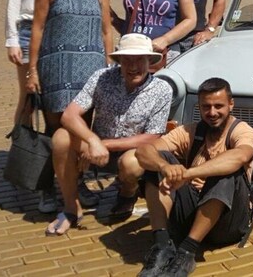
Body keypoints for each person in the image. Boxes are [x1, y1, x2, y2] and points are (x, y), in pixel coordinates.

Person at [46, 34, 173, 236]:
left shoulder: (162, 90)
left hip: (129, 151)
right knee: (61, 138)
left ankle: (127, 193)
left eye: (139, 59)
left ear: (149, 61)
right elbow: (69, 115)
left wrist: (103, 144)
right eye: (127, 59)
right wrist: (92, 141)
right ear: (119, 61)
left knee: (132, 164)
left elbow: (152, 137)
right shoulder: (101, 77)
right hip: (96, 144)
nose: (133, 65)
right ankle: (71, 208)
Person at [135, 78, 253, 277]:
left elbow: (240, 156)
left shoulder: (242, 130)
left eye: (219, 106)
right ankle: (161, 246)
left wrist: (187, 173)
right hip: (192, 212)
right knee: (156, 162)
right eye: (206, 107)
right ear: (199, 106)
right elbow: (142, 152)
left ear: (231, 104)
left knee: (227, 171)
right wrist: (164, 167)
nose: (212, 113)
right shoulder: (190, 131)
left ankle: (186, 252)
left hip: (228, 223)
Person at [4, 0, 66, 212]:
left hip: (60, 33)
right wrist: (11, 39)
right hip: (29, 32)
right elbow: (14, 0)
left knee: (55, 104)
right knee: (29, 99)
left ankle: (59, 172)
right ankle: (24, 157)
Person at [26, 0, 113, 134]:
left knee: (83, 128)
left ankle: (79, 167)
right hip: (56, 69)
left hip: (91, 71)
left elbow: (107, 31)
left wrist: (109, 67)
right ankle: (54, 166)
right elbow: (37, 28)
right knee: (55, 128)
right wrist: (32, 71)